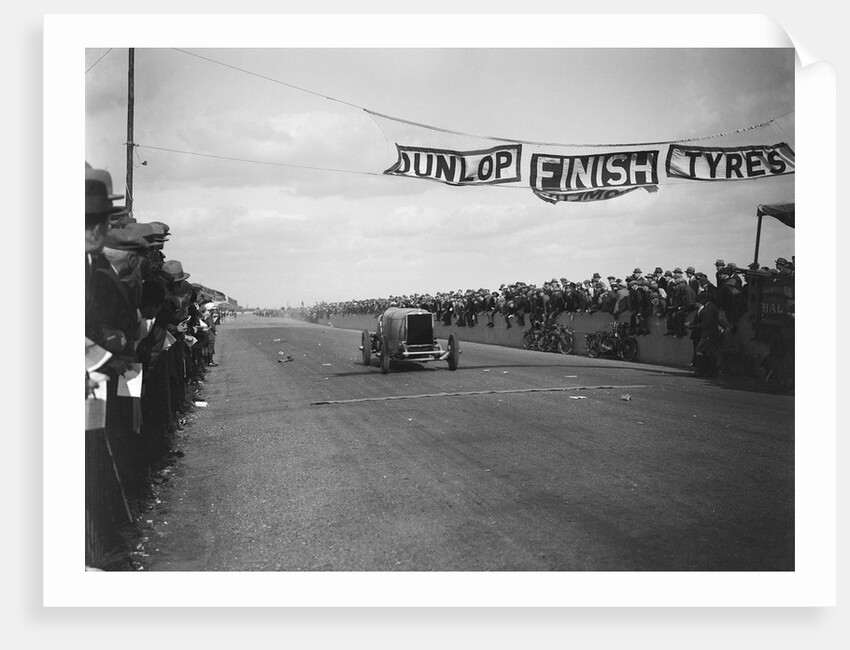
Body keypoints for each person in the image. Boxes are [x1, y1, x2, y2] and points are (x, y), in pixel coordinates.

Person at [693, 291, 721, 378]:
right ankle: (709, 371)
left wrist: (694, 326)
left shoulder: (708, 309)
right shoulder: (712, 307)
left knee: (701, 350)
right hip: (712, 333)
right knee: (709, 352)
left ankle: (703, 371)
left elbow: (707, 323)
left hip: (708, 333)